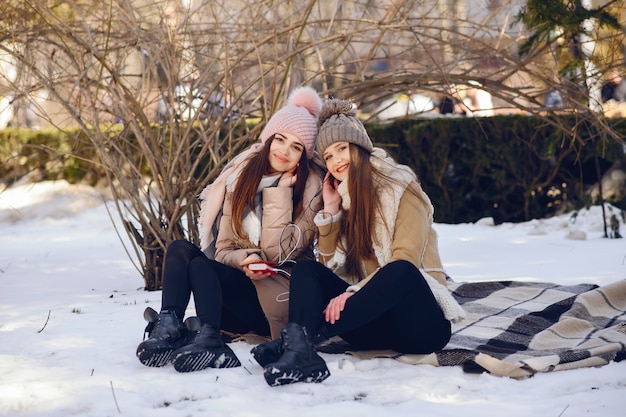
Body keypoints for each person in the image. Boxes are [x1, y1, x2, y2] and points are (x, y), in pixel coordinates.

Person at [251, 98, 466, 386]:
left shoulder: (403, 190)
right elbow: (331, 267)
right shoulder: (344, 200)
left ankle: (300, 343)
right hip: (369, 323)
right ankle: (299, 345)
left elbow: (406, 259)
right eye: (328, 156)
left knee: (400, 270)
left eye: (342, 148)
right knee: (307, 271)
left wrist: (354, 292)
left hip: (419, 325)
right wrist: (330, 212)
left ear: (360, 147)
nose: (336, 160)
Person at [136, 86, 324, 373]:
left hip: (271, 303)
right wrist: (244, 259)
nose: (284, 151)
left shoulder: (309, 189)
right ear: (269, 138)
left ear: (303, 156)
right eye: (281, 139)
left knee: (202, 268)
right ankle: (170, 326)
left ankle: (210, 340)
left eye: (296, 146)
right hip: (236, 294)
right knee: (181, 250)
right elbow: (223, 250)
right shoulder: (242, 180)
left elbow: (277, 252)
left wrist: (280, 194)